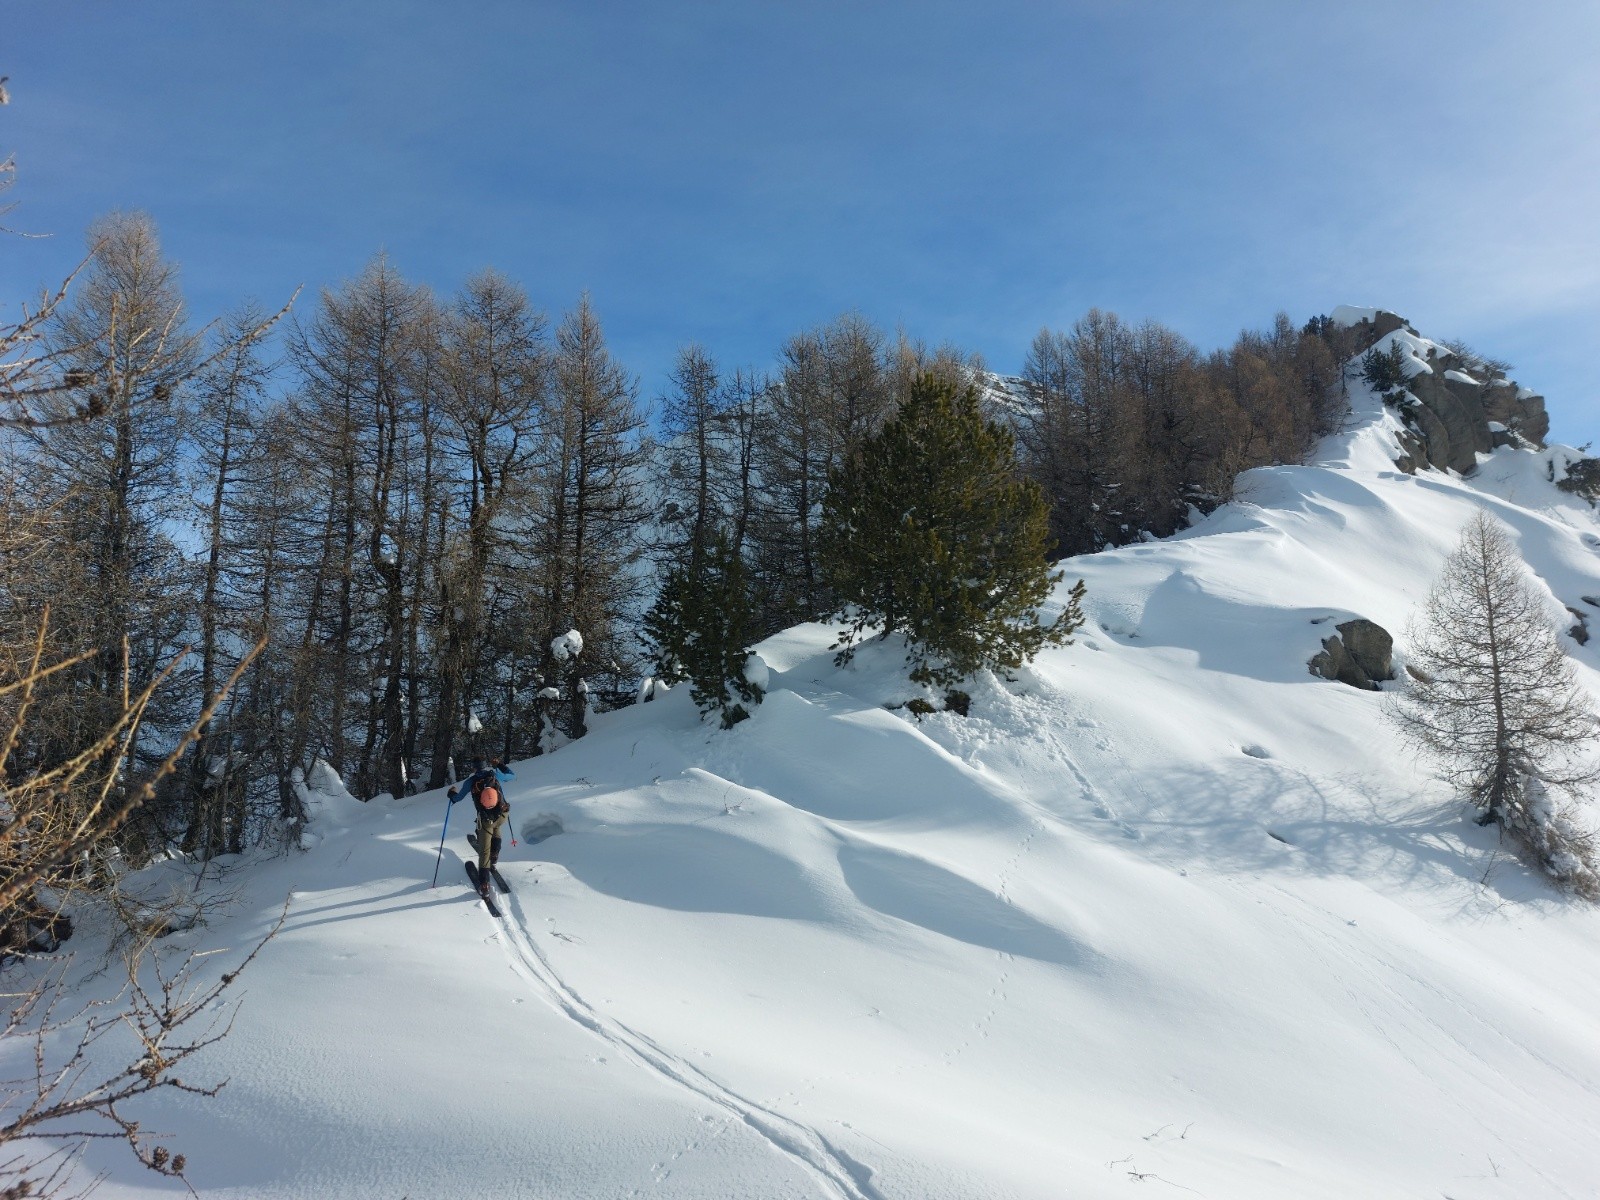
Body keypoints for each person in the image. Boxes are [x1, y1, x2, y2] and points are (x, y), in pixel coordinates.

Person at [448, 758, 515, 896]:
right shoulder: (494, 775)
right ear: (485, 766)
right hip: (502, 814)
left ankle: (484, 884)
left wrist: (451, 793)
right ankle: (495, 854)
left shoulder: (470, 782)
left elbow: (457, 798)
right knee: (497, 829)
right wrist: (499, 765)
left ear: (473, 768)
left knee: (484, 852)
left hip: (486, 820)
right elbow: (511, 775)